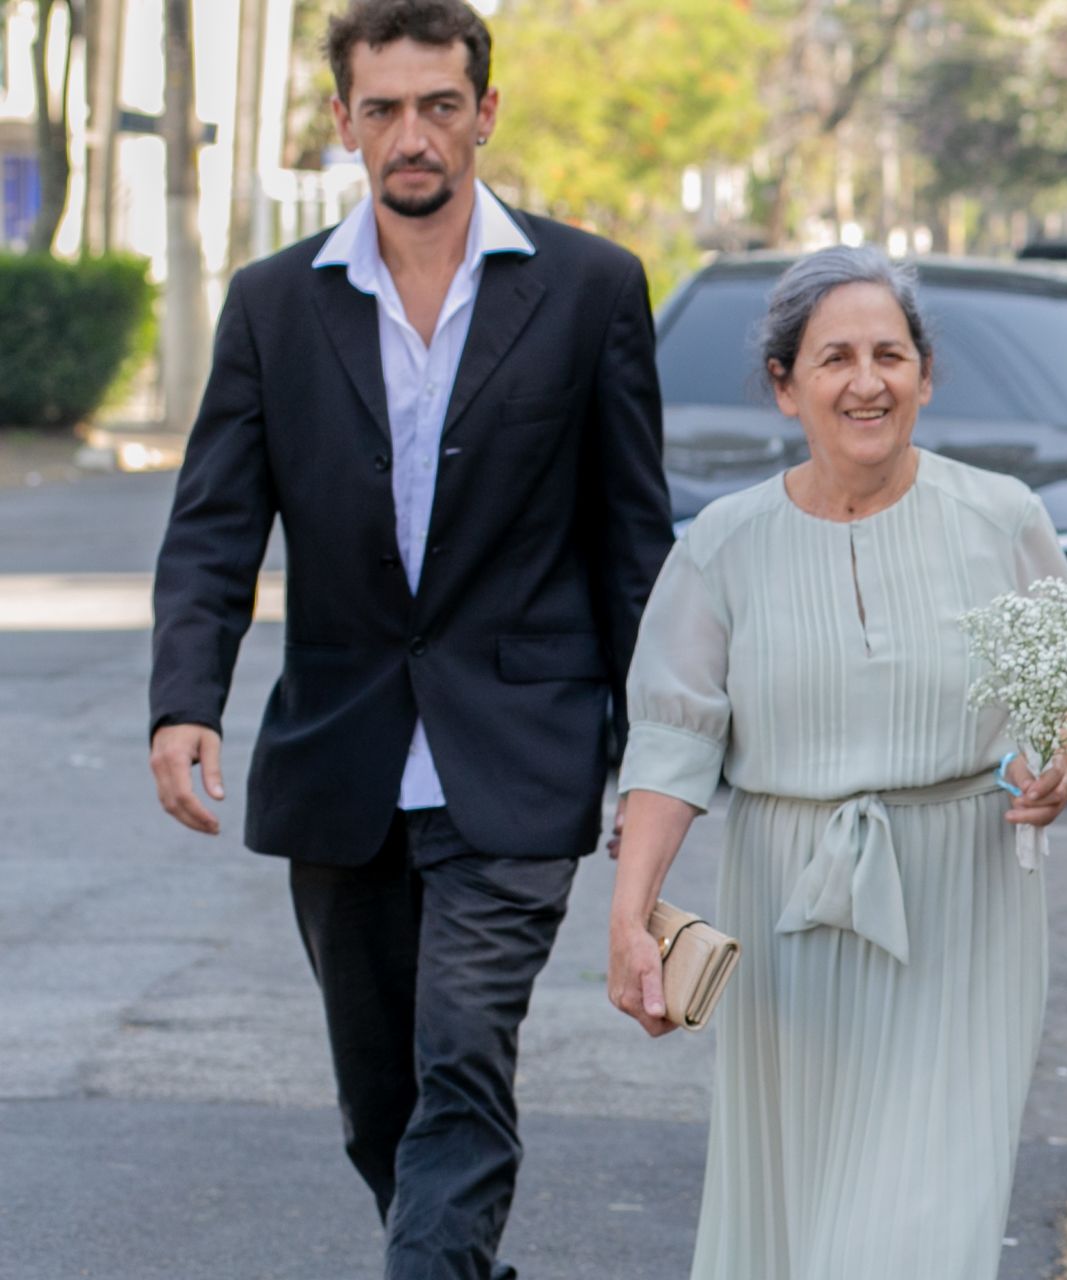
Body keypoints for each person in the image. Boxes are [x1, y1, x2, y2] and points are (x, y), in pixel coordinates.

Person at [146, 1, 671, 1275]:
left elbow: (632, 542)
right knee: (380, 1106)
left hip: (520, 755)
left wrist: (664, 754)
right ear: (343, 124)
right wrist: (184, 699)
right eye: (382, 108)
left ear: (484, 112)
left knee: (460, 1066)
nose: (412, 134)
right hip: (344, 763)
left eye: (439, 105)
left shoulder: (591, 288)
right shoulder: (274, 305)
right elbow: (217, 522)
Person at [605, 246, 1067, 1280]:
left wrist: (1055, 764)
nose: (867, 381)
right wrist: (631, 911)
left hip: (964, 905)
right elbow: (673, 737)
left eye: (890, 355)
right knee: (798, 1217)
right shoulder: (723, 545)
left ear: (924, 374)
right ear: (785, 384)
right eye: (834, 359)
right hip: (789, 912)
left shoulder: (1004, 519)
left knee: (922, 1222)